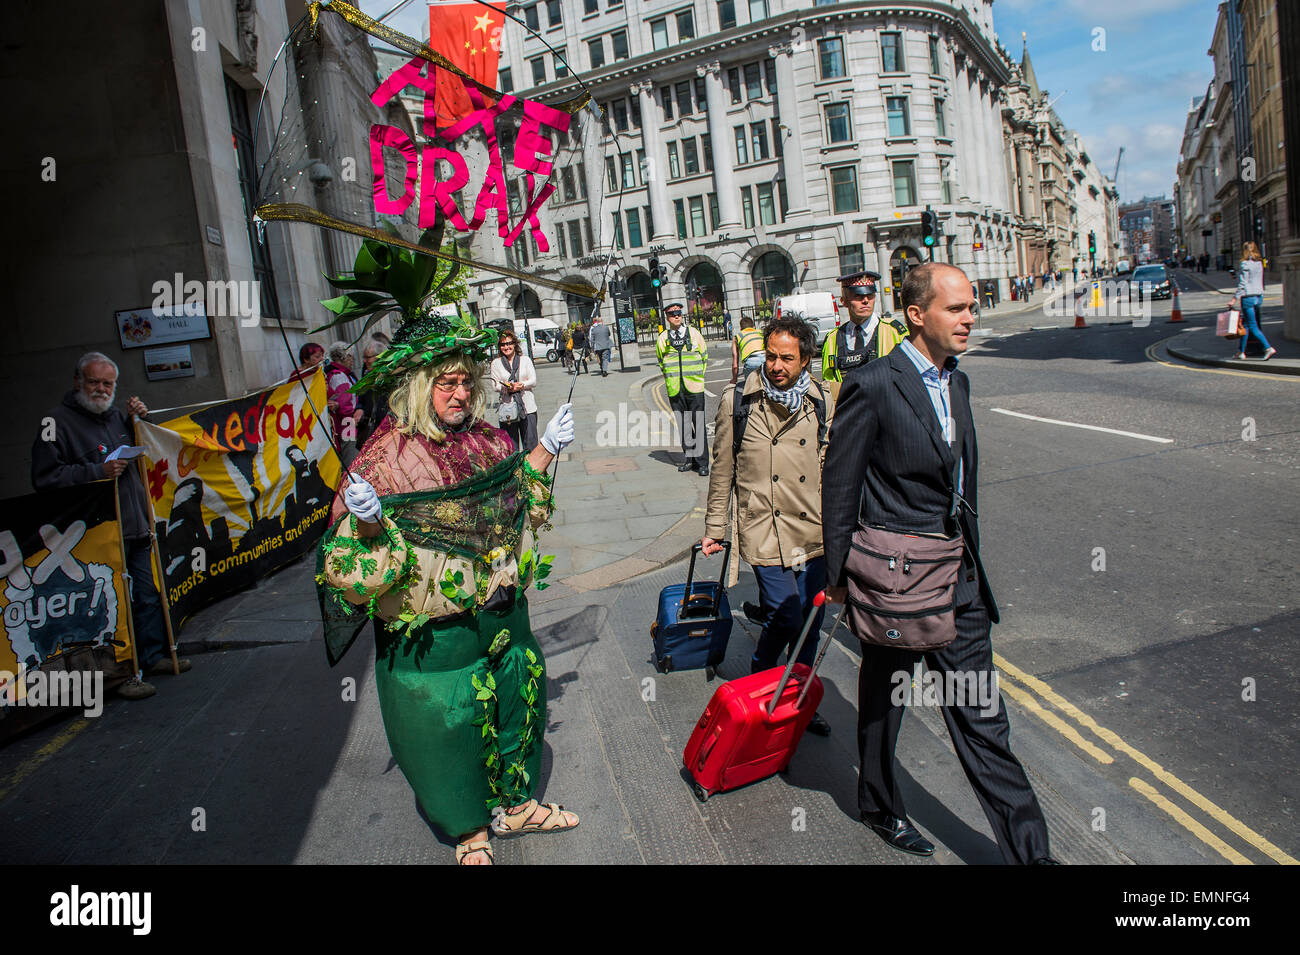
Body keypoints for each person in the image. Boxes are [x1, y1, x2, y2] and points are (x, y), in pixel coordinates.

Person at [317, 310, 579, 866]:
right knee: (450, 721)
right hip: (435, 633)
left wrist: (547, 447)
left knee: (516, 697)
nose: (461, 393)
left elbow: (516, 502)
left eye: (467, 381)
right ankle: (469, 830)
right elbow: (352, 568)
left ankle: (517, 804)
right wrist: (366, 522)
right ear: (417, 387)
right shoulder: (384, 458)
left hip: (503, 612)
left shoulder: (487, 440)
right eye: (447, 383)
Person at [821, 262, 1054, 864]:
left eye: (972, 306)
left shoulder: (959, 381)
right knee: (884, 702)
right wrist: (840, 577)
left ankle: (1032, 854)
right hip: (895, 582)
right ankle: (878, 805)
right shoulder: (872, 384)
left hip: (958, 581)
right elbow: (841, 486)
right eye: (958, 309)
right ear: (917, 314)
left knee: (983, 720)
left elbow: (963, 485)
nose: (970, 318)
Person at [31, 352, 192, 700]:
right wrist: (95, 473)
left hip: (135, 527)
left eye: (108, 383)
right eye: (94, 382)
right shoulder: (54, 423)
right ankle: (123, 673)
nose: (101, 389)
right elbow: (45, 479)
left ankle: (151, 657)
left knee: (147, 597)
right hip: (97, 536)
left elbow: (142, 452)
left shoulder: (118, 417)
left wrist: (142, 420)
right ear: (78, 382)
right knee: (112, 607)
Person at [702, 316, 833, 736]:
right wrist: (715, 526)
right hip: (762, 526)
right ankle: (762, 669)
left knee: (810, 621)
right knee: (785, 611)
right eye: (771, 356)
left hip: (811, 531)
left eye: (787, 358)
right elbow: (721, 467)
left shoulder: (825, 399)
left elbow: (834, 471)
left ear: (806, 360)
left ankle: (799, 698)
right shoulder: (738, 400)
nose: (776, 365)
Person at [820, 270, 908, 396]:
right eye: (858, 296)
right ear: (844, 301)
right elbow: (828, 385)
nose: (866, 300)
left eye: (870, 295)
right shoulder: (832, 339)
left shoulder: (895, 332)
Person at [655, 302, 710, 475]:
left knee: (698, 424)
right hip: (675, 389)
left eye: (679, 313)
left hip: (694, 387)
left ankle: (702, 463)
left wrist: (697, 378)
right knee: (684, 425)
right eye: (673, 314)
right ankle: (690, 459)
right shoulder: (663, 338)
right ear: (667, 317)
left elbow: (704, 357)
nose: (677, 316)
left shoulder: (694, 334)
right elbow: (661, 362)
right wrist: (671, 380)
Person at [488, 328, 540, 450]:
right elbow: (495, 385)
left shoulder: (525, 360)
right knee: (510, 446)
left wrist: (521, 385)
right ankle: (515, 469)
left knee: (531, 444)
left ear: (515, 344)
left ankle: (530, 469)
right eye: (503, 344)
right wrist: (507, 388)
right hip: (507, 408)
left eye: (509, 343)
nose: (506, 347)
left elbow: (533, 381)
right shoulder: (496, 363)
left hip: (527, 407)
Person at [1227, 241, 1277, 361]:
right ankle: (1241, 352)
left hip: (1248, 297)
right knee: (1246, 325)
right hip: (1258, 297)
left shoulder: (1244, 264)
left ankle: (1268, 348)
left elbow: (1243, 283)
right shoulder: (1259, 263)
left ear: (1244, 250)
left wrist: (1234, 299)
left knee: (1253, 326)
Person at [325, 342, 360, 465]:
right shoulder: (339, 376)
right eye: (350, 357)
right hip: (347, 423)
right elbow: (345, 403)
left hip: (345, 423)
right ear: (344, 357)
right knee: (351, 457)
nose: (352, 360)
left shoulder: (339, 373)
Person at [356, 338, 390, 448]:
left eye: (368, 357)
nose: (364, 361)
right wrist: (359, 408)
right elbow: (362, 397)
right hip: (371, 428)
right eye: (364, 357)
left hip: (388, 429)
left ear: (379, 356)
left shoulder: (392, 375)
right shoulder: (366, 374)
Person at [731, 315, 764, 384]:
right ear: (753, 327)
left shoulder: (737, 336)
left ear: (741, 329)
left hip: (751, 362)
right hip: (765, 359)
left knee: (750, 388)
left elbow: (735, 363)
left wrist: (734, 379)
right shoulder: (761, 333)